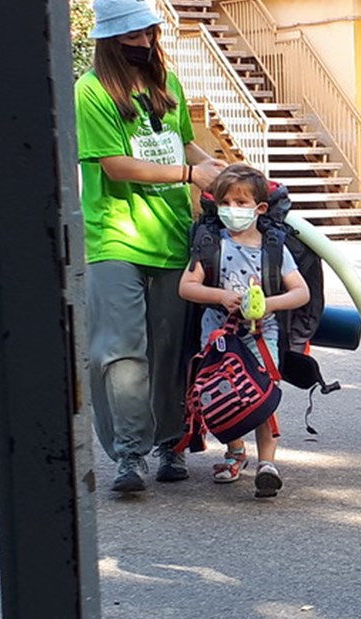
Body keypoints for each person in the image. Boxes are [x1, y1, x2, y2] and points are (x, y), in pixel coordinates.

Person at [76, 0, 227, 493]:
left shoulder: (168, 84)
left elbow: (185, 144)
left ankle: (170, 445)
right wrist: (189, 174)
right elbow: (115, 165)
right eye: (132, 36)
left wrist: (224, 173)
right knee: (120, 350)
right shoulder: (91, 90)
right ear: (110, 39)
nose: (143, 43)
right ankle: (128, 455)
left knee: (169, 350)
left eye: (148, 33)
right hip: (115, 235)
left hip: (171, 235)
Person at [178, 164, 310, 497]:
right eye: (225, 203)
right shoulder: (209, 244)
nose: (232, 210)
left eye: (240, 203)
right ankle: (235, 450)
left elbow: (301, 291)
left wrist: (271, 303)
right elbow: (187, 287)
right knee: (225, 395)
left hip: (261, 336)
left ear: (260, 208)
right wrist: (219, 296)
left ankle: (268, 464)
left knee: (262, 396)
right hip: (219, 338)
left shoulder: (274, 248)